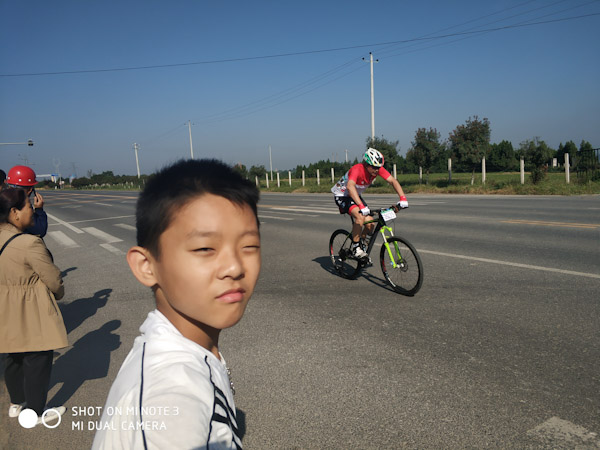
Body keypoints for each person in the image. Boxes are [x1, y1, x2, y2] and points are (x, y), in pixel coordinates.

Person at [92, 159, 261, 449]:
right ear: (147, 266)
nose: (234, 267)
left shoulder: (191, 349)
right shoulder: (171, 398)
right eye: (205, 248)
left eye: (249, 246)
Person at [0, 188, 67, 425]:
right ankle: (35, 412)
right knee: (38, 357)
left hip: (4, 306)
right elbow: (51, 278)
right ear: (14, 212)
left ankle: (16, 404)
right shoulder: (29, 243)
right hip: (29, 307)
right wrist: (59, 292)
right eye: (28, 206)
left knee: (13, 355)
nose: (32, 210)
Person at [332, 148, 408, 259]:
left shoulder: (377, 169)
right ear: (366, 164)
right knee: (360, 216)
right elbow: (350, 186)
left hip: (355, 195)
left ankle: (360, 243)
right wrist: (361, 206)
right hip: (343, 196)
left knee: (370, 224)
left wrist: (402, 198)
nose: (377, 170)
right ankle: (355, 247)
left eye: (379, 167)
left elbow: (392, 181)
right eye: (374, 167)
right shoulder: (357, 169)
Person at [6, 165, 48, 237]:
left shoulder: (4, 201)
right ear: (30, 190)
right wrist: (39, 210)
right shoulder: (23, 207)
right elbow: (40, 231)